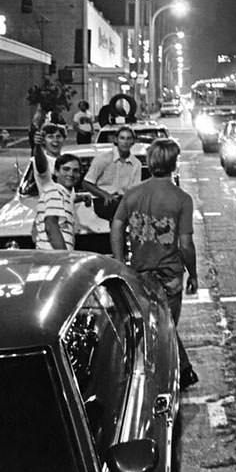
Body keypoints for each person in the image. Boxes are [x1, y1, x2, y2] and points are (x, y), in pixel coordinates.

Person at [110, 139, 200, 389]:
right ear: (174, 163)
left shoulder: (133, 194)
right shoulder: (181, 198)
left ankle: (178, 371)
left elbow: (117, 227)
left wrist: (120, 263)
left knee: (156, 326)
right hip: (170, 275)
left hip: (139, 272)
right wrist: (193, 274)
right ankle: (175, 373)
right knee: (166, 327)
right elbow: (185, 244)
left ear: (150, 162)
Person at [84, 125, 141, 220]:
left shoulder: (136, 163)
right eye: (122, 138)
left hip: (123, 200)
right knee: (118, 210)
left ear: (133, 141)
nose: (125, 142)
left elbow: (134, 190)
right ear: (116, 140)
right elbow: (86, 183)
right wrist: (105, 194)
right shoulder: (103, 158)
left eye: (129, 138)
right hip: (102, 200)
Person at [34, 154, 84, 250]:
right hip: (54, 258)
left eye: (75, 170)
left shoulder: (64, 195)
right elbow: (51, 226)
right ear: (56, 172)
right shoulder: (54, 191)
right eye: (66, 169)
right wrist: (65, 256)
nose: (71, 174)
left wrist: (82, 198)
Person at [32, 122, 67, 195]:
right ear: (43, 140)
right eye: (50, 137)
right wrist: (38, 146)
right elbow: (41, 166)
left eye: (58, 136)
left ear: (64, 139)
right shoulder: (41, 160)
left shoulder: (67, 159)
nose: (55, 140)